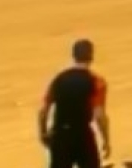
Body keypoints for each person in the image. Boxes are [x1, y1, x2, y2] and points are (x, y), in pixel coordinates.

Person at [38, 39, 110, 168]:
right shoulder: (96, 81)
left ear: (73, 55)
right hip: (82, 135)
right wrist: (106, 140)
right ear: (91, 56)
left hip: (60, 135)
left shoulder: (59, 79)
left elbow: (43, 111)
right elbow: (99, 116)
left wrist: (43, 133)